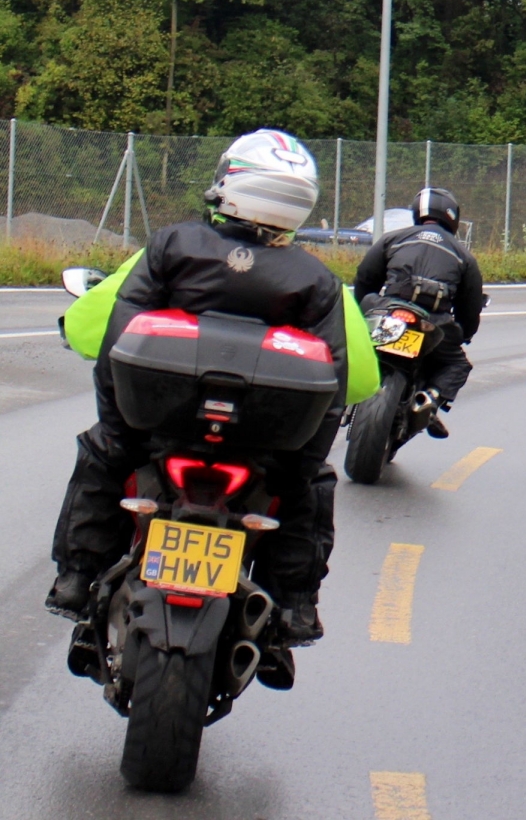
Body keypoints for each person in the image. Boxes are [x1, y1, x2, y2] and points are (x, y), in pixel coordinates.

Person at [46, 129, 377, 662]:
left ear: (230, 181)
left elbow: (116, 343)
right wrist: (299, 463)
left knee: (101, 455)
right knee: (309, 488)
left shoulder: (172, 246)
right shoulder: (317, 280)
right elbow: (336, 382)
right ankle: (293, 610)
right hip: (261, 446)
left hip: (159, 428)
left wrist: (119, 426)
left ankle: (76, 577)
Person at [353, 187, 484, 439]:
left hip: (388, 311)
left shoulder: (393, 238)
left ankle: (342, 388)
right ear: (452, 216)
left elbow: (365, 278)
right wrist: (464, 333)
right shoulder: (463, 256)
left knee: (352, 341)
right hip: (433, 322)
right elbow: (470, 306)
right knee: (458, 364)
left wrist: (362, 316)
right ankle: (430, 397)